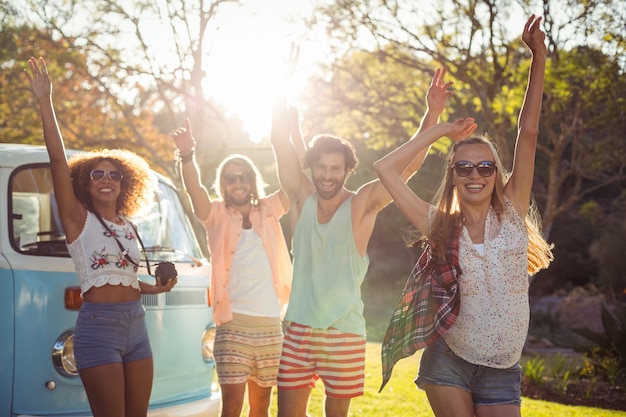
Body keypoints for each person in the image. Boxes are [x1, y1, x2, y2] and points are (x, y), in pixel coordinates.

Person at [373, 15, 554, 417]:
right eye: (465, 167)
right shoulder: (439, 225)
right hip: (449, 359)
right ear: (453, 176)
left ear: (497, 174)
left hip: (502, 367)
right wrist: (439, 130)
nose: (476, 174)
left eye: (485, 167)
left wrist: (538, 58)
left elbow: (529, 133)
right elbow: (385, 169)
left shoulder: (511, 213)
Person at [271, 45, 455, 417]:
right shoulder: (300, 196)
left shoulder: (361, 205)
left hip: (345, 330)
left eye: (335, 168)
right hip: (298, 328)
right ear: (312, 168)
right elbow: (279, 141)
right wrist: (282, 85)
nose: (327, 175)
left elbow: (405, 170)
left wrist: (431, 114)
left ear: (346, 171)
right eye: (320, 167)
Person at [25, 57, 177, 417]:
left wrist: (156, 287)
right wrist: (45, 102)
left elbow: (122, 278)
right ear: (85, 184)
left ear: (124, 184)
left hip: (136, 325)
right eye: (97, 175)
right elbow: (59, 162)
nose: (106, 179)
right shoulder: (78, 219)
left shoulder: (128, 226)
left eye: (114, 174)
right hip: (99, 328)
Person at [171, 118, 292, 417]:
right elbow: (194, 190)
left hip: (269, 326)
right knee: (232, 408)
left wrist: (288, 136)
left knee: (261, 407)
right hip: (233, 323)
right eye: (231, 178)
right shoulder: (215, 214)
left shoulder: (269, 209)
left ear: (252, 181)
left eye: (243, 177)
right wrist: (187, 156)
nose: (238, 183)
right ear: (223, 184)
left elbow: (294, 183)